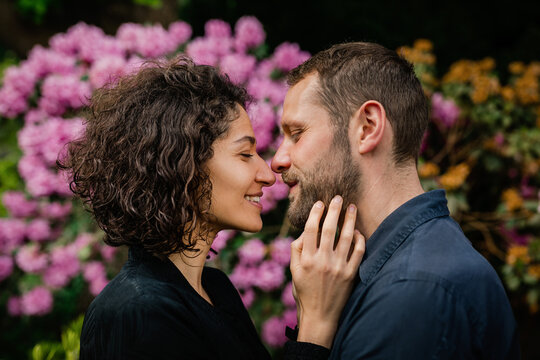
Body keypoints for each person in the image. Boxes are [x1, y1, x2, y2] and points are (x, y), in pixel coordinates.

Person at [59, 57, 365, 360]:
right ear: (183, 166)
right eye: (245, 154)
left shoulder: (216, 290)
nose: (268, 175)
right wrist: (314, 326)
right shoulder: (135, 313)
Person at [272, 42, 521, 359]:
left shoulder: (412, 292)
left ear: (368, 127)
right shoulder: (399, 268)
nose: (277, 160)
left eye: (297, 132)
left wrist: (311, 337)